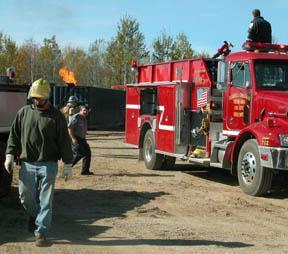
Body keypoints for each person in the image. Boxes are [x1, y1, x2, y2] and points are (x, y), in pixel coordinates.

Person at [4, 79, 73, 247]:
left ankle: (41, 232)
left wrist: (68, 163)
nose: (36, 100)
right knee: (25, 198)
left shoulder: (56, 116)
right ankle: (35, 216)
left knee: (46, 200)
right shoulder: (23, 112)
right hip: (27, 163)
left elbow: (64, 141)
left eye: (39, 97)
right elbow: (13, 135)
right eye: (34, 96)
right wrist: (9, 155)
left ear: (46, 97)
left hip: (48, 164)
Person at [68, 105, 93, 175]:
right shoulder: (76, 117)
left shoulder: (84, 118)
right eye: (84, 110)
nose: (85, 112)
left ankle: (85, 171)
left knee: (87, 153)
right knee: (79, 154)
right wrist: (73, 138)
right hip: (75, 138)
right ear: (80, 110)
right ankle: (66, 169)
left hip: (82, 138)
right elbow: (69, 128)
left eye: (87, 111)